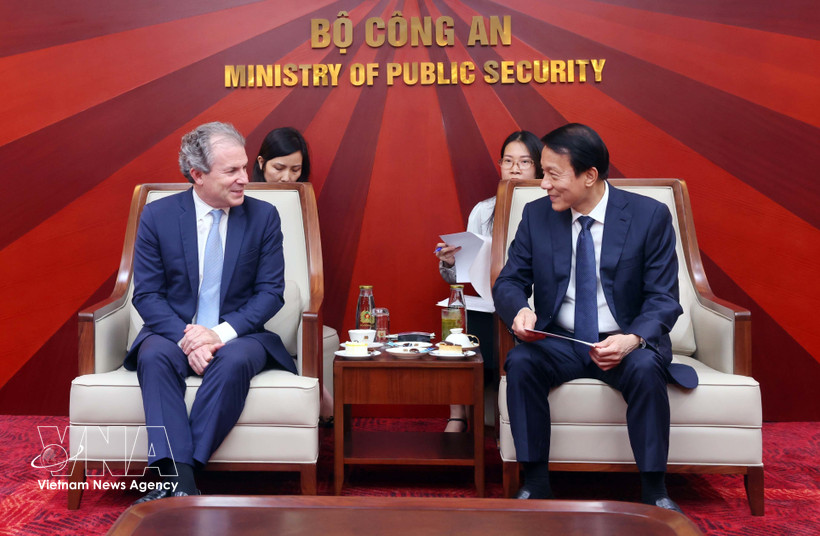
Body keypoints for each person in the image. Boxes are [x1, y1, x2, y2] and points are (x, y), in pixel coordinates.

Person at [492, 123, 697, 512]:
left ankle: (655, 490)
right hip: (561, 340)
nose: (543, 184)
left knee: (644, 369)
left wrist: (632, 339)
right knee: (520, 361)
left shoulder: (648, 216)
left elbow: (663, 298)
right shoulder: (537, 217)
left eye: (553, 174)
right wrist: (519, 309)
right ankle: (534, 484)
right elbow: (509, 281)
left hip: (624, 340)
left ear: (589, 176)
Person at [125, 121, 296, 504]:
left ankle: (179, 477)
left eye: (244, 167)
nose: (244, 179)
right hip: (174, 331)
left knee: (233, 361)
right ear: (198, 174)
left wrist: (219, 334)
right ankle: (181, 481)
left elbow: (271, 293)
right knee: (152, 356)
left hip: (240, 335)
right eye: (231, 171)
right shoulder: (158, 216)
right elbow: (148, 294)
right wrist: (190, 337)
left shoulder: (264, 216)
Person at [435, 131, 544, 432]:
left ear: (539, 167)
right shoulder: (484, 211)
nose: (515, 168)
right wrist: (452, 263)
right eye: (508, 161)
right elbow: (465, 276)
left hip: (535, 302)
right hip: (490, 298)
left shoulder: (553, 205)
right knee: (456, 319)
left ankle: (504, 419)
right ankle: (457, 415)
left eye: (524, 161)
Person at [253, 126, 334, 425]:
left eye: (296, 169)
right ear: (261, 163)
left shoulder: (304, 201)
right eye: (279, 168)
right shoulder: (238, 201)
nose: (287, 177)